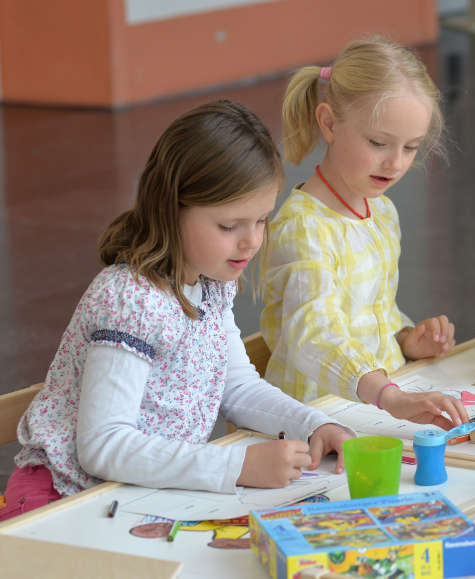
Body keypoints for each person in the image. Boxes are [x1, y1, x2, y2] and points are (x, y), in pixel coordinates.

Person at [0, 100, 353, 521]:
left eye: (261, 220)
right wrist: (237, 467)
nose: (252, 241)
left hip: (137, 496)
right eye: (229, 226)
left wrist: (314, 425)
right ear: (171, 207)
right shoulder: (130, 299)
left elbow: (237, 388)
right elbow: (103, 445)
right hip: (64, 502)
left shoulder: (211, 281)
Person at [260, 36, 468, 428]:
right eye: (378, 143)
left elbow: (373, 313)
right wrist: (390, 396)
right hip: (317, 420)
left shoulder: (381, 212)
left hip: (378, 405)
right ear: (329, 123)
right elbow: (315, 338)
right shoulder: (303, 227)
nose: (395, 163)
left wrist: (405, 338)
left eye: (411, 147)